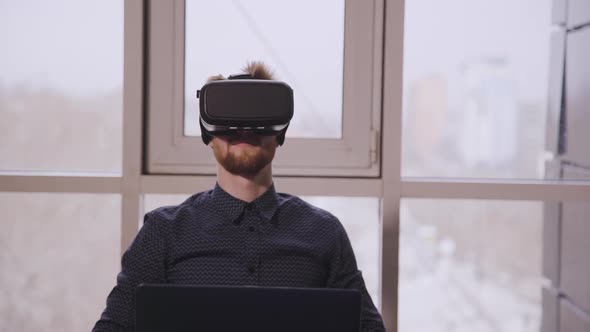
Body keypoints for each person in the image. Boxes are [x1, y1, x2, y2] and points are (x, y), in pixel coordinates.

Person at [93, 62, 385, 331]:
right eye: (230, 117)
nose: (244, 130)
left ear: (280, 132)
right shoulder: (164, 232)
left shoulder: (323, 233)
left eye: (257, 116)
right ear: (207, 132)